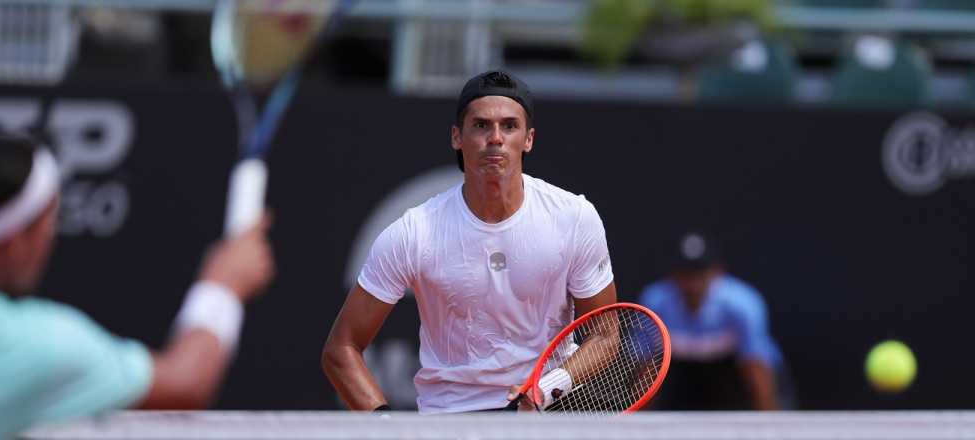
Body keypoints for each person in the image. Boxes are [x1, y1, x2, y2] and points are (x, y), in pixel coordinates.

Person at [322, 70, 617, 413]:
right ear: (456, 137)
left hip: (547, 415)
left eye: (509, 126)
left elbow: (605, 334)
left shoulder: (574, 218)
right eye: (480, 125)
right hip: (450, 420)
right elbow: (341, 349)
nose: (495, 138)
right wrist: (389, 429)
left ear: (528, 139)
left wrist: (545, 388)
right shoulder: (413, 232)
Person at [0, 134, 275, 439]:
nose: (50, 238)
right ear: (15, 244)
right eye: (47, 223)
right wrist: (224, 284)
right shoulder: (37, 345)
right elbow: (184, 382)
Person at [639, 231, 787, 410]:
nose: (693, 283)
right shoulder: (655, 302)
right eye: (686, 273)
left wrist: (769, 426)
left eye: (700, 273)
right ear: (673, 274)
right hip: (681, 377)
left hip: (732, 375)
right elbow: (646, 367)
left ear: (717, 272)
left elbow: (755, 365)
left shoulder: (742, 305)